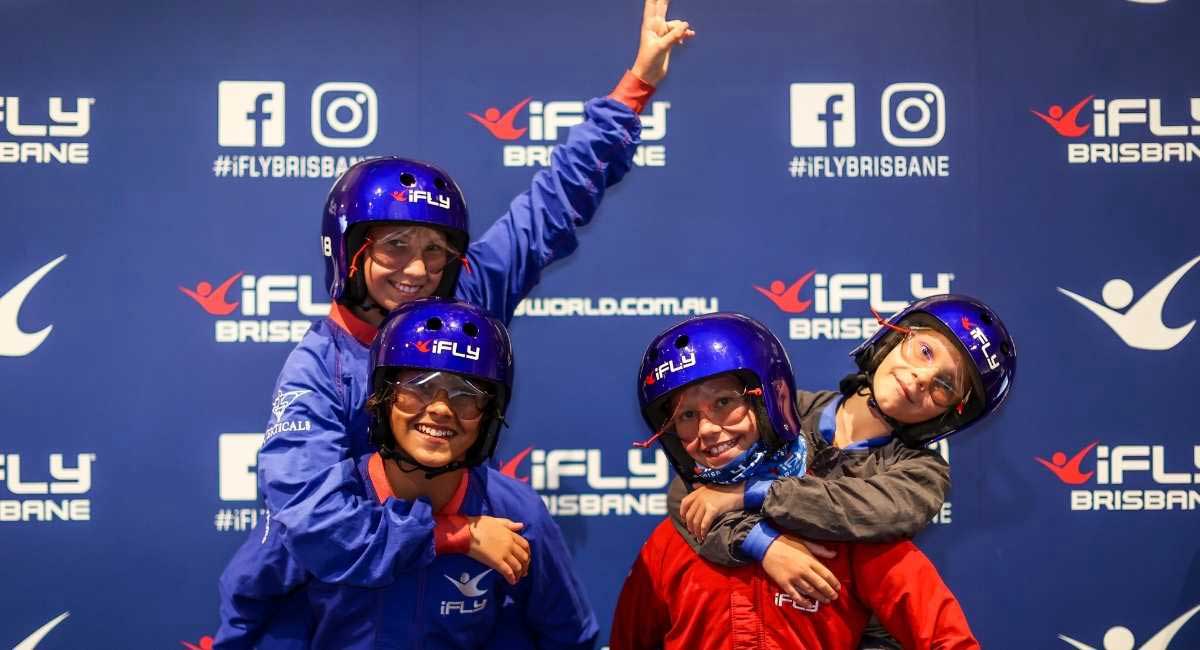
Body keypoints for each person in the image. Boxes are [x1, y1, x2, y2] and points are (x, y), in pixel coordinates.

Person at [217, 4, 694, 645]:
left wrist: (634, 86)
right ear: (351, 253)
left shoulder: (462, 299)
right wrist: (459, 535)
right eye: (394, 248)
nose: (416, 271)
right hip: (349, 608)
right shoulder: (316, 370)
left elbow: (548, 207)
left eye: (434, 250)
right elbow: (320, 530)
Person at [610, 312, 981, 649]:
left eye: (944, 385)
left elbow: (873, 515)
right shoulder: (671, 543)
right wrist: (762, 543)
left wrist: (750, 494)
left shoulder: (871, 530)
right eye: (924, 352)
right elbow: (692, 496)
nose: (919, 378)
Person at [265, 299, 596, 648]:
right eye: (418, 386)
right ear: (383, 397)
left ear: (488, 416)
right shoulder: (324, 505)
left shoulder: (519, 515)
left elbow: (569, 638)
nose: (440, 408)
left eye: (465, 395)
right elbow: (252, 614)